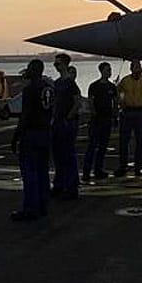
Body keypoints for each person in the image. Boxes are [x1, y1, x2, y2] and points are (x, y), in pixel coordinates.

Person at [10, 58, 54, 221]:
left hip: (32, 134)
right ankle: (43, 205)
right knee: (43, 172)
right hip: (45, 133)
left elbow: (25, 115)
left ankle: (30, 209)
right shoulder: (49, 89)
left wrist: (16, 136)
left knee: (29, 173)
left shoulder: (30, 90)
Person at [115, 59, 142, 177]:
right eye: (136, 67)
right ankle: (123, 166)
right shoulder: (125, 80)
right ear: (132, 69)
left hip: (140, 112)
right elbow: (117, 91)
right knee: (124, 141)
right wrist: (121, 101)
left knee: (140, 142)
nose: (138, 69)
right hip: (127, 112)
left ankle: (138, 167)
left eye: (139, 67)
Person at [50, 57, 82, 200]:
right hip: (57, 122)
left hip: (66, 123)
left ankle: (72, 186)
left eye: (58, 63)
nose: (55, 66)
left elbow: (77, 103)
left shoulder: (70, 84)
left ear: (64, 65)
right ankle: (59, 184)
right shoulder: (57, 83)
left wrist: (68, 118)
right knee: (58, 155)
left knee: (68, 154)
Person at [83, 61, 118, 182]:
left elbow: (115, 101)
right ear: (102, 71)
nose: (110, 72)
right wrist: (94, 114)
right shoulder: (94, 86)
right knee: (92, 146)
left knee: (103, 147)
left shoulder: (112, 87)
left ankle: (98, 170)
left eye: (110, 70)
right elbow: (90, 101)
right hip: (97, 120)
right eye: (107, 70)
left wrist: (115, 115)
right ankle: (86, 171)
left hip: (107, 119)